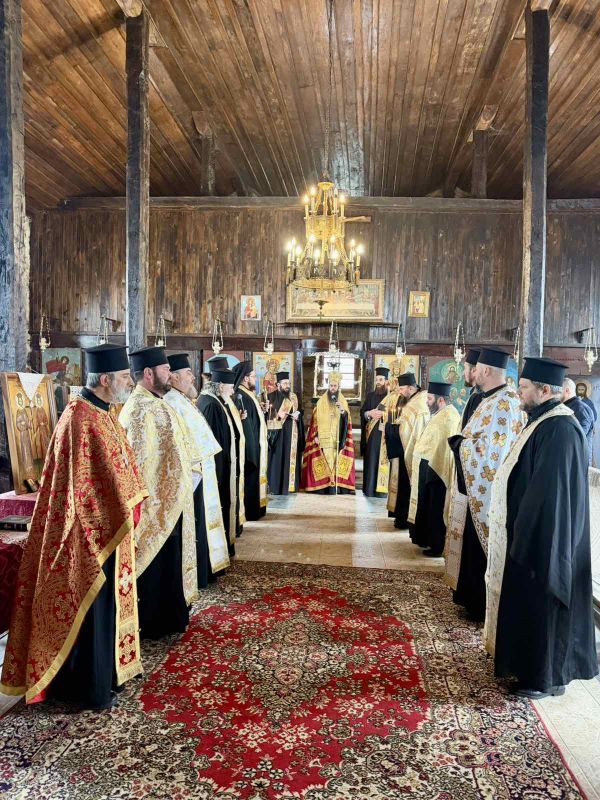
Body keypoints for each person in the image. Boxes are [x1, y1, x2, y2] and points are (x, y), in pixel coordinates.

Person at [0, 344, 147, 709]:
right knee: (90, 609)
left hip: (107, 529)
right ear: (106, 380)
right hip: (85, 536)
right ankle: (87, 686)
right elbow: (84, 487)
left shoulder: (103, 413)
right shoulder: (80, 419)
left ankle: (107, 676)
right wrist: (122, 507)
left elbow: (120, 468)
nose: (130, 383)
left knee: (106, 607)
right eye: (125, 377)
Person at [485, 357, 597, 698]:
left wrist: (527, 535)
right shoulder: (542, 422)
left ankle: (544, 678)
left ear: (544, 390)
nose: (518, 393)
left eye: (523, 387)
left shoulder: (560, 429)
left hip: (545, 540)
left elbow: (552, 495)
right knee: (530, 606)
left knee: (544, 604)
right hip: (531, 534)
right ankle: (532, 670)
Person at [119, 346, 196, 639]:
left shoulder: (156, 403)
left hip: (170, 500)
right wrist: (161, 495)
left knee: (168, 559)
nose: (170, 374)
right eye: (166, 369)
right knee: (156, 563)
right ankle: (154, 623)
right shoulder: (139, 409)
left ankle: (168, 617)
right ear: (149, 373)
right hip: (155, 504)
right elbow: (139, 463)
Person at [445, 347, 525, 622]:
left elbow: (492, 453)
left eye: (477, 369)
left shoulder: (505, 403)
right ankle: (469, 597)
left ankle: (479, 603)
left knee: (480, 548)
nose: (473, 373)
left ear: (487, 370)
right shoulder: (490, 399)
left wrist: (460, 445)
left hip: (488, 490)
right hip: (476, 487)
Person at [165, 353, 230, 589]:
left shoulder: (182, 400)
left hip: (201, 474)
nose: (193, 378)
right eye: (188, 373)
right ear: (173, 377)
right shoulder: (172, 403)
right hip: (192, 477)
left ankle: (205, 569)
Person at [407, 382, 461, 557]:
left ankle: (437, 546)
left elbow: (445, 448)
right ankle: (427, 540)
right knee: (428, 506)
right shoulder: (440, 414)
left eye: (430, 399)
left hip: (438, 470)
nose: (427, 402)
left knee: (436, 508)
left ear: (441, 400)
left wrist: (432, 467)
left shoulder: (449, 417)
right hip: (429, 467)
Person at [198, 361, 240, 553]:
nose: (232, 391)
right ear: (221, 386)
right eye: (230, 387)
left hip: (222, 467)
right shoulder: (211, 405)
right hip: (217, 470)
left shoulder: (215, 402)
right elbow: (213, 443)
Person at [384, 372, 430, 529]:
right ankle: (401, 516)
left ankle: (404, 519)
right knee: (402, 484)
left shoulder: (416, 404)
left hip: (410, 451)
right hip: (405, 449)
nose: (400, 391)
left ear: (411, 388)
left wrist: (390, 428)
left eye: (402, 388)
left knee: (406, 486)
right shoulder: (415, 399)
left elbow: (406, 430)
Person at [301, 371, 356, 494]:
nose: (333, 388)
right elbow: (315, 421)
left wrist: (343, 411)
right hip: (323, 438)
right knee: (325, 461)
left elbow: (347, 420)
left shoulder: (343, 401)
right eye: (331, 385)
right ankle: (324, 487)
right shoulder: (321, 402)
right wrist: (315, 435)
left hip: (337, 438)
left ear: (338, 387)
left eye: (335, 386)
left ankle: (336, 486)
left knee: (335, 461)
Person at [232, 361, 268, 520]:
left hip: (256, 445)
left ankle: (257, 509)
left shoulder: (248, 394)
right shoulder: (241, 396)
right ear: (246, 378)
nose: (256, 380)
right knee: (251, 480)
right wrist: (252, 451)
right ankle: (252, 512)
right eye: (253, 376)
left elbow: (254, 420)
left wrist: (263, 411)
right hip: (251, 449)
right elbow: (246, 426)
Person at [266, 371, 304, 495]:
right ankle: (276, 487)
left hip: (291, 432)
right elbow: (266, 415)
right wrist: (277, 415)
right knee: (277, 458)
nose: (287, 386)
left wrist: (298, 416)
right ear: (278, 385)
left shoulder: (293, 397)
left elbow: (299, 411)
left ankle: (289, 486)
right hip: (277, 434)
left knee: (289, 458)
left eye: (288, 383)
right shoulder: (270, 397)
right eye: (285, 383)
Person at [360, 366, 390, 497]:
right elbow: (363, 412)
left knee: (383, 461)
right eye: (377, 380)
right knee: (372, 460)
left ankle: (382, 492)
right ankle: (370, 489)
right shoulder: (370, 396)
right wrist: (370, 413)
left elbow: (396, 415)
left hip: (385, 436)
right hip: (372, 436)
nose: (378, 382)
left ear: (386, 381)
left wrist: (385, 415)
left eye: (381, 380)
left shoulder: (391, 397)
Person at [562, 377, 594, 464]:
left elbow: (579, 435)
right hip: (569, 458)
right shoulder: (566, 406)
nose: (556, 394)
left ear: (567, 390)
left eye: (559, 391)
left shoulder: (581, 408)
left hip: (578, 461)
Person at [460, 348, 482, 428]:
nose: (463, 373)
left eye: (465, 368)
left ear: (473, 370)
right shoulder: (474, 392)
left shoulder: (478, 396)